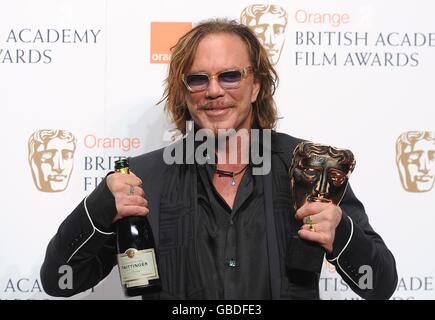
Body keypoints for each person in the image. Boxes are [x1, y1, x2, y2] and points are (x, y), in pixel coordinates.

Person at [40, 19, 397, 299]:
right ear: (185, 91)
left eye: (230, 75)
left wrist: (342, 234)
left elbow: (379, 285)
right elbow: (60, 281)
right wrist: (101, 206)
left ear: (256, 85)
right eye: (198, 79)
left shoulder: (310, 167)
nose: (213, 90)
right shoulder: (143, 178)